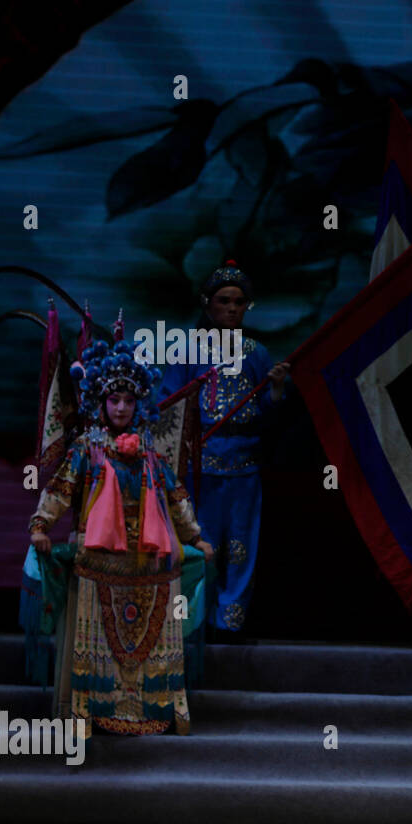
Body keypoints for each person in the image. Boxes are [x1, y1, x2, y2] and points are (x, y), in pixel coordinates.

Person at [28, 337, 214, 735]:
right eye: (114, 401)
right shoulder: (87, 448)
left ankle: (153, 709)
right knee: (99, 640)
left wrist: (194, 537)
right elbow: (61, 489)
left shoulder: (150, 451)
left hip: (146, 558)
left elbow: (175, 494)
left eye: (129, 401)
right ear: (101, 403)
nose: (121, 408)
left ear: (138, 405)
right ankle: (91, 710)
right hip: (99, 558)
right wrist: (41, 524)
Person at [163, 259, 288, 634]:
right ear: (207, 304)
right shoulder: (186, 350)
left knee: (239, 549)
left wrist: (278, 390)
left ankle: (229, 624)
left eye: (239, 301)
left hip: (244, 469)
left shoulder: (257, 353)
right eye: (223, 300)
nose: (232, 308)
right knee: (201, 545)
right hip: (198, 469)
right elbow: (167, 406)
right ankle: (194, 623)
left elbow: (270, 415)